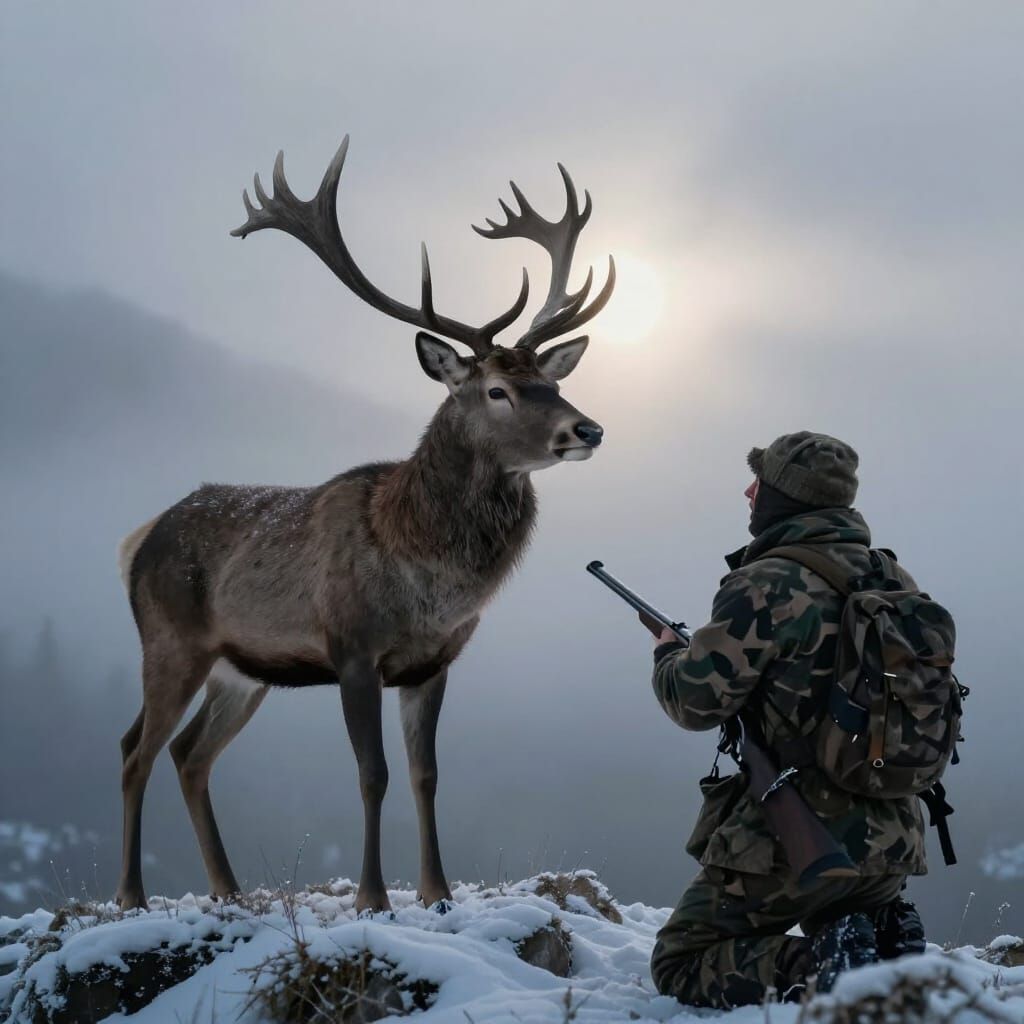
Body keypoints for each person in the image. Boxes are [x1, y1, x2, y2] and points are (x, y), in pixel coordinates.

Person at [649, 431, 927, 1007]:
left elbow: (695, 703)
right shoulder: (893, 580)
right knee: (844, 913)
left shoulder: (766, 582)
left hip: (801, 840)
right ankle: (877, 935)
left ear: (786, 498)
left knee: (680, 962)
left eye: (763, 482)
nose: (748, 491)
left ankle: (823, 967)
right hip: (891, 840)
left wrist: (666, 655)